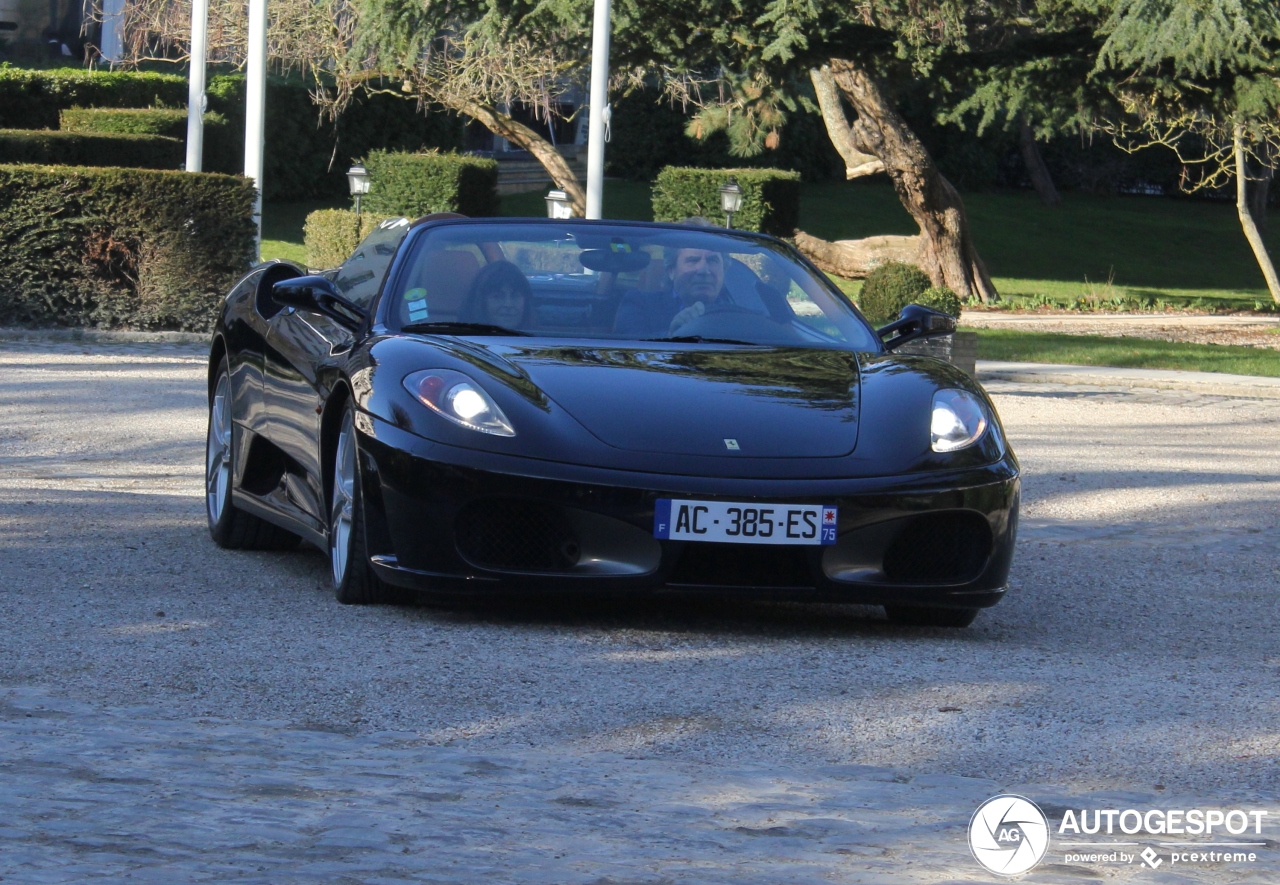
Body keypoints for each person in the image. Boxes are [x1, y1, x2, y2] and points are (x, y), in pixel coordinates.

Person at [614, 245, 732, 337]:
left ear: (724, 270)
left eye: (712, 260)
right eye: (693, 260)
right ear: (671, 270)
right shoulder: (639, 304)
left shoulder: (738, 315)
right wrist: (671, 336)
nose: (704, 270)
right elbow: (628, 354)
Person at [461, 260, 533, 329]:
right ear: (481, 302)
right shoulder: (460, 339)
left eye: (515, 296)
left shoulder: (540, 338)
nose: (508, 304)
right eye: (497, 297)